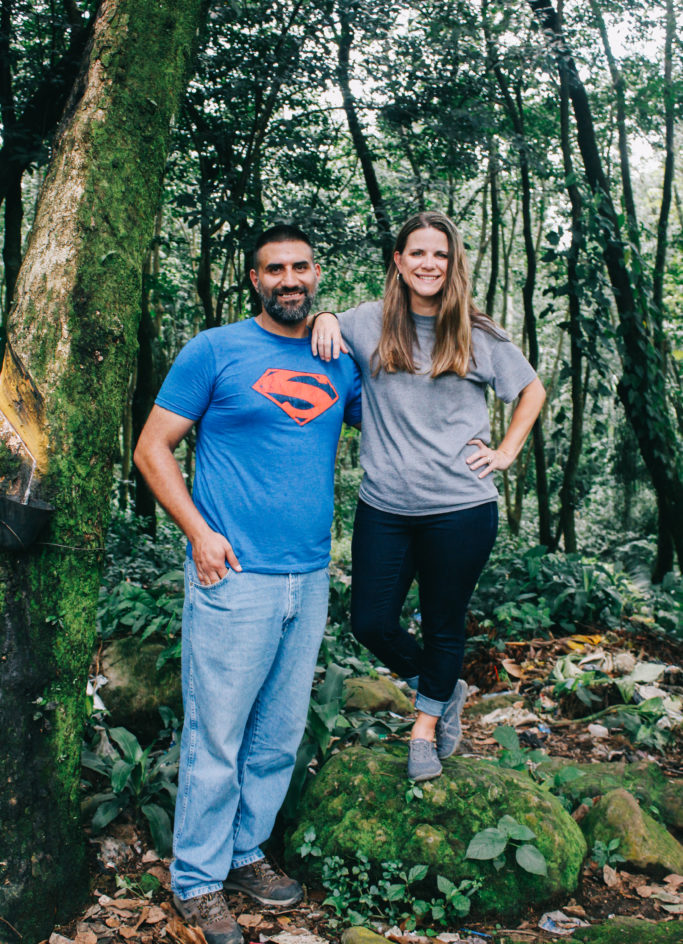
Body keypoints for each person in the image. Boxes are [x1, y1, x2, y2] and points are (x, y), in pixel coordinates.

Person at [134, 224, 361, 944]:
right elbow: (151, 447)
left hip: (309, 574)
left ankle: (242, 852)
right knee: (218, 735)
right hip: (233, 577)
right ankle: (196, 881)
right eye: (274, 270)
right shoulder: (214, 350)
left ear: (316, 273)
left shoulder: (338, 356)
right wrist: (200, 533)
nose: (288, 279)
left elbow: (400, 405)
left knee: (277, 735)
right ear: (254, 279)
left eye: (300, 267)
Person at [310, 211, 545, 783]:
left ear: (452, 263)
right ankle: (444, 688)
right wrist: (320, 314)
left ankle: (424, 728)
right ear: (399, 260)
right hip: (384, 505)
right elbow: (327, 324)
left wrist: (507, 452)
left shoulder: (475, 332)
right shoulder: (369, 322)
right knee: (370, 621)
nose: (429, 264)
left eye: (440, 255)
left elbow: (531, 389)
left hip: (461, 507)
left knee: (444, 624)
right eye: (418, 253)